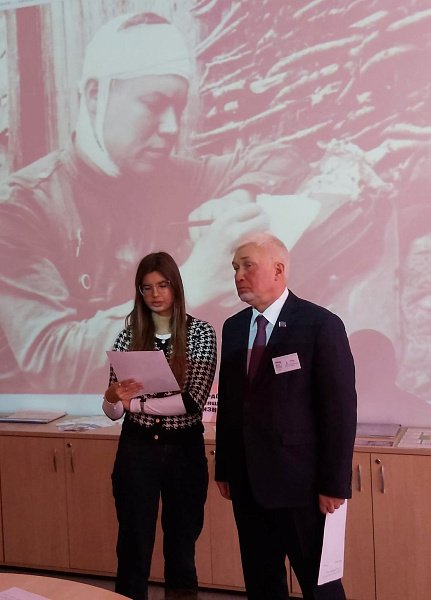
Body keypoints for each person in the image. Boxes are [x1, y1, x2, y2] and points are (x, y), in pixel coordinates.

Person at [0, 10, 308, 394]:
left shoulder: (170, 176)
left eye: (178, 107)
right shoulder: (21, 208)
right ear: (95, 95)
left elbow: (283, 158)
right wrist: (188, 285)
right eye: (153, 103)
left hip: (160, 408)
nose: (171, 127)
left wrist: (236, 197)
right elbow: (55, 362)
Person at [215, 232, 357, 600]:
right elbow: (231, 404)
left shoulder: (319, 324)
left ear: (278, 270)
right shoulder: (233, 328)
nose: (238, 275)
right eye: (235, 268)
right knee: (262, 584)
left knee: (320, 587)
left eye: (248, 266)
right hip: (248, 484)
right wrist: (225, 468)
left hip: (303, 487)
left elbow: (339, 412)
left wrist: (334, 484)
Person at [103, 251, 217, 600]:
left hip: (183, 449)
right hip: (137, 448)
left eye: (162, 285)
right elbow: (113, 412)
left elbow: (191, 402)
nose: (155, 294)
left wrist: (134, 404)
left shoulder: (200, 333)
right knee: (133, 544)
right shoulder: (127, 337)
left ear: (175, 287)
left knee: (181, 545)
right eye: (147, 287)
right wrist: (111, 397)